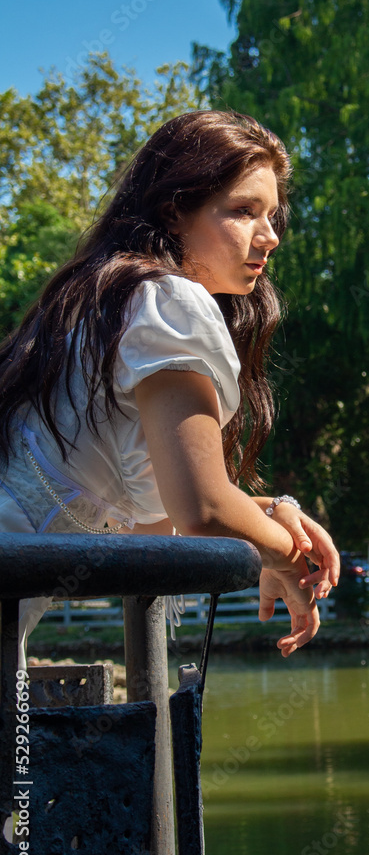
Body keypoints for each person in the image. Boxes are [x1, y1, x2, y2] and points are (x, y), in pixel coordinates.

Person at [0, 109, 339, 668]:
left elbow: (156, 520)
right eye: (243, 211)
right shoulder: (169, 301)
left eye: (273, 215)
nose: (271, 236)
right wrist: (287, 558)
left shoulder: (104, 302)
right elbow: (203, 506)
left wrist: (272, 512)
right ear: (175, 212)